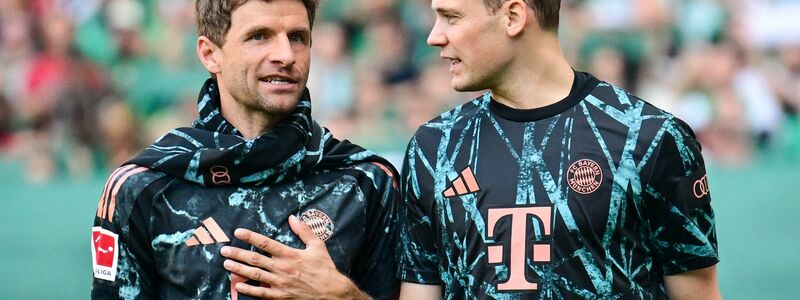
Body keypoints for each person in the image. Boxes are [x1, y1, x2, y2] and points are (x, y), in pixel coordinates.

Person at [396, 0, 722, 299]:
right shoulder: (433, 146)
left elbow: (698, 293)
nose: (434, 37)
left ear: (513, 17)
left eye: (451, 17)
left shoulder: (650, 136)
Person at [90, 0, 399, 298]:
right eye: (259, 36)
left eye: (297, 37)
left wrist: (342, 297)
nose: (286, 55)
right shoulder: (141, 187)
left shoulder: (367, 180)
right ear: (210, 54)